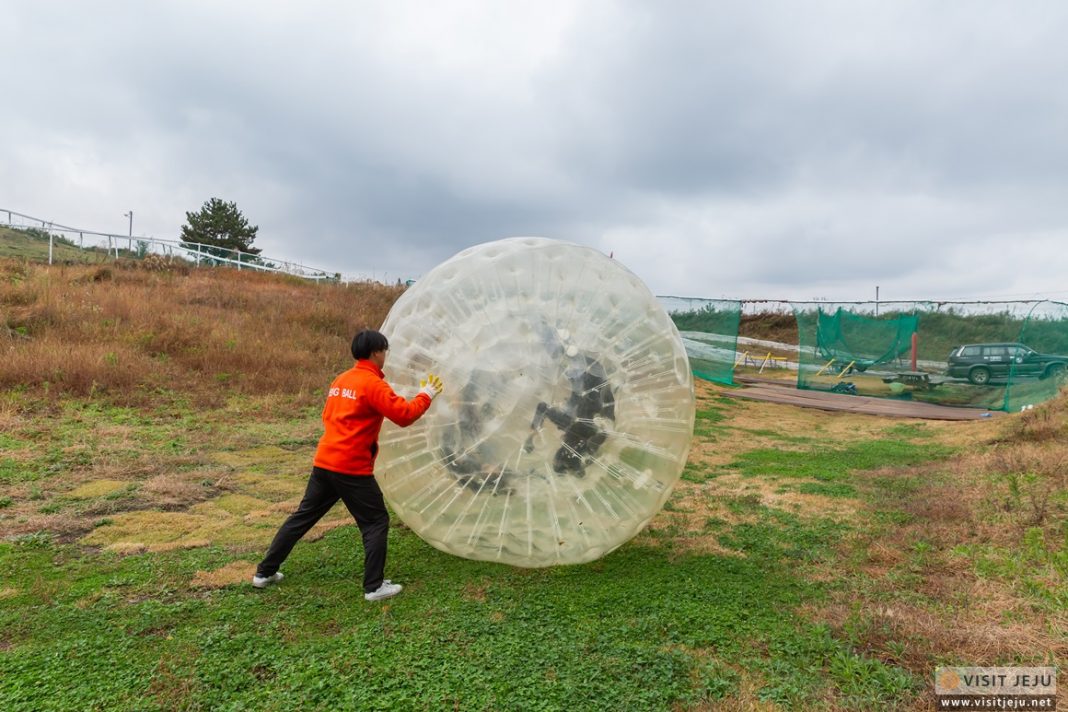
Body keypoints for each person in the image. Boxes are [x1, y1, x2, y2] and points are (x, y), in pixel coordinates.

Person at [252, 329, 443, 601]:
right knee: (376, 521)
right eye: (385, 351)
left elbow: (327, 415)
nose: (386, 356)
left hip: (325, 461)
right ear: (377, 352)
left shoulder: (341, 380)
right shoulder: (372, 384)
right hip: (351, 467)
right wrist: (426, 394)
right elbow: (403, 415)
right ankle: (374, 587)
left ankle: (264, 573)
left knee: (302, 517)